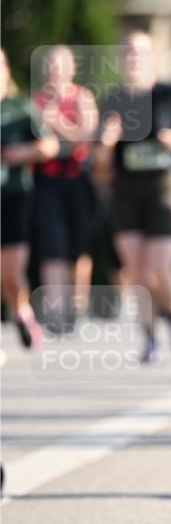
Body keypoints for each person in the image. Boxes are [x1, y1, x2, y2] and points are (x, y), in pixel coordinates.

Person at [97, 32, 171, 363]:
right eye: (127, 52)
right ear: (119, 59)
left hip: (164, 189)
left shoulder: (168, 94)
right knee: (137, 270)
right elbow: (100, 165)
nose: (132, 58)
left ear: (151, 58)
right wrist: (106, 142)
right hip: (127, 193)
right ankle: (148, 338)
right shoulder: (112, 100)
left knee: (160, 267)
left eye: (139, 53)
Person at [32, 45, 98, 330]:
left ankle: (77, 306)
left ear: (71, 69)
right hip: (46, 182)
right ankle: (55, 312)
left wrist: (57, 123)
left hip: (77, 180)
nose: (55, 69)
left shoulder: (82, 97)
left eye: (61, 64)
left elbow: (87, 139)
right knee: (52, 246)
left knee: (77, 247)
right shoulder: (36, 101)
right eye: (51, 64)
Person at [1, 49, 58, 347]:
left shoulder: (21, 108)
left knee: (10, 275)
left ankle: (21, 312)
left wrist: (22, 153)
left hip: (13, 198)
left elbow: (48, 145)